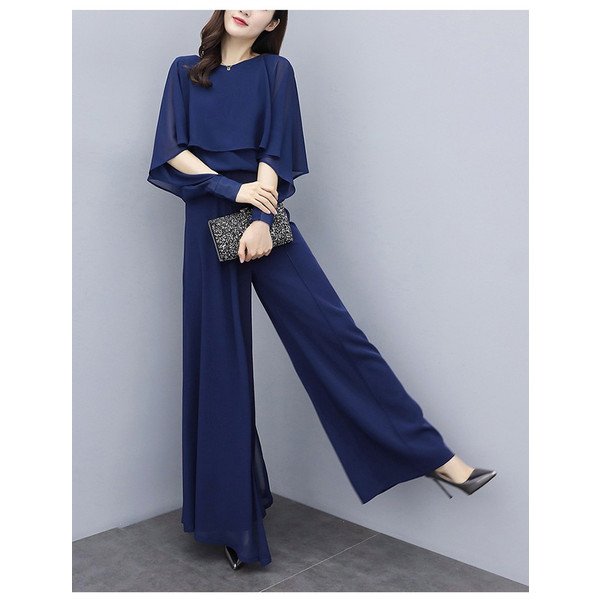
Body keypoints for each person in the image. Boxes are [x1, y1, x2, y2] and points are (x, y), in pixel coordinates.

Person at [147, 9, 496, 571]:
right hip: (208, 214)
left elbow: (274, 153)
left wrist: (261, 217)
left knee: (331, 331)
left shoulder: (275, 71)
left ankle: (431, 455)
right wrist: (230, 191)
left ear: (273, 21)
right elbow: (172, 149)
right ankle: (232, 522)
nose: (247, 7)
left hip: (261, 216)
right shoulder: (185, 70)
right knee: (220, 364)